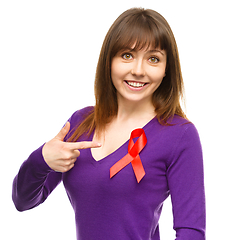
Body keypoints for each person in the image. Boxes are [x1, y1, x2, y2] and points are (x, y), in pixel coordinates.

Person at [12, 8, 206, 240]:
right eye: (127, 55)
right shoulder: (79, 124)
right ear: (109, 61)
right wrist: (42, 158)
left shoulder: (180, 135)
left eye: (153, 59)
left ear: (166, 70)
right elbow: (23, 201)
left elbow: (191, 232)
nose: (138, 70)